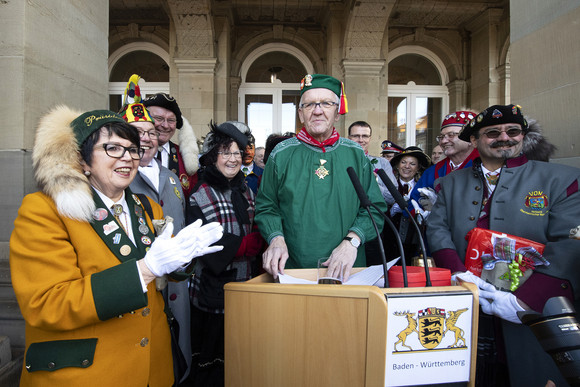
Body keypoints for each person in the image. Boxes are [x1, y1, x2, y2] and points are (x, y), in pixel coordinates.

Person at [9, 107, 223, 386]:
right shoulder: (45, 210)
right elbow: (47, 303)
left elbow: (163, 277)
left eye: (133, 149)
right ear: (82, 160)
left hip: (152, 369)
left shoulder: (148, 207)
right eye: (113, 148)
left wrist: (181, 261)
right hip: (88, 373)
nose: (128, 158)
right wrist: (145, 270)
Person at [426, 104, 580, 386]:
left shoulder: (562, 180)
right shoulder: (448, 183)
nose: (505, 137)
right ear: (474, 140)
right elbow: (437, 229)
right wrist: (459, 274)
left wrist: (524, 301)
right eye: (492, 133)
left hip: (531, 310)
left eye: (513, 131)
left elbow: (569, 244)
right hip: (466, 301)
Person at [255, 74, 387, 282]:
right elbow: (266, 206)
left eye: (326, 103)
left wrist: (351, 242)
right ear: (300, 113)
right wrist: (275, 238)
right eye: (309, 105)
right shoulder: (281, 154)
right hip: (293, 272)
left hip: (348, 271)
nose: (317, 110)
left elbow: (374, 209)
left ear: (337, 113)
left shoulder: (355, 154)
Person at [186, 121, 263, 386]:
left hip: (246, 285)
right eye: (226, 152)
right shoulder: (200, 192)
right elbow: (200, 239)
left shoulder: (246, 188)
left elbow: (256, 224)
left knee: (240, 358)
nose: (233, 159)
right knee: (213, 361)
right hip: (212, 290)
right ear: (212, 156)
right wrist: (242, 246)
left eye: (237, 153)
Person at [122, 101, 193, 383]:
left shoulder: (172, 177)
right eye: (138, 132)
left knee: (176, 359)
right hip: (141, 285)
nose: (147, 138)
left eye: (151, 132)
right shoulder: (120, 177)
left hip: (176, 286)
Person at [408, 110, 478, 215]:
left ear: (471, 139)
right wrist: (422, 215)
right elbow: (412, 204)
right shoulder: (432, 171)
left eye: (451, 135)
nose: (444, 141)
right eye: (441, 137)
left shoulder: (485, 166)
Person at [143, 93, 199, 197]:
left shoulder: (185, 158)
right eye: (159, 118)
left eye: (171, 120)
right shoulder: (130, 154)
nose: (165, 125)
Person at [386, 146, 431, 262]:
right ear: (397, 165)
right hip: (389, 242)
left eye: (412, 164)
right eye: (403, 162)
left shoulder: (423, 188)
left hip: (414, 242)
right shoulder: (387, 184)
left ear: (418, 167)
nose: (407, 166)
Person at [348, 120, 396, 206]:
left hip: (373, 214)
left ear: (370, 138)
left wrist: (374, 183)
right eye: (356, 136)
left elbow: (392, 198)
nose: (361, 140)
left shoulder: (382, 163)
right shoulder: (341, 162)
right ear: (349, 138)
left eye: (365, 136)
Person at [226, 121, 263, 194]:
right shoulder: (229, 172)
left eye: (251, 148)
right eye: (244, 149)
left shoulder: (263, 174)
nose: (248, 152)